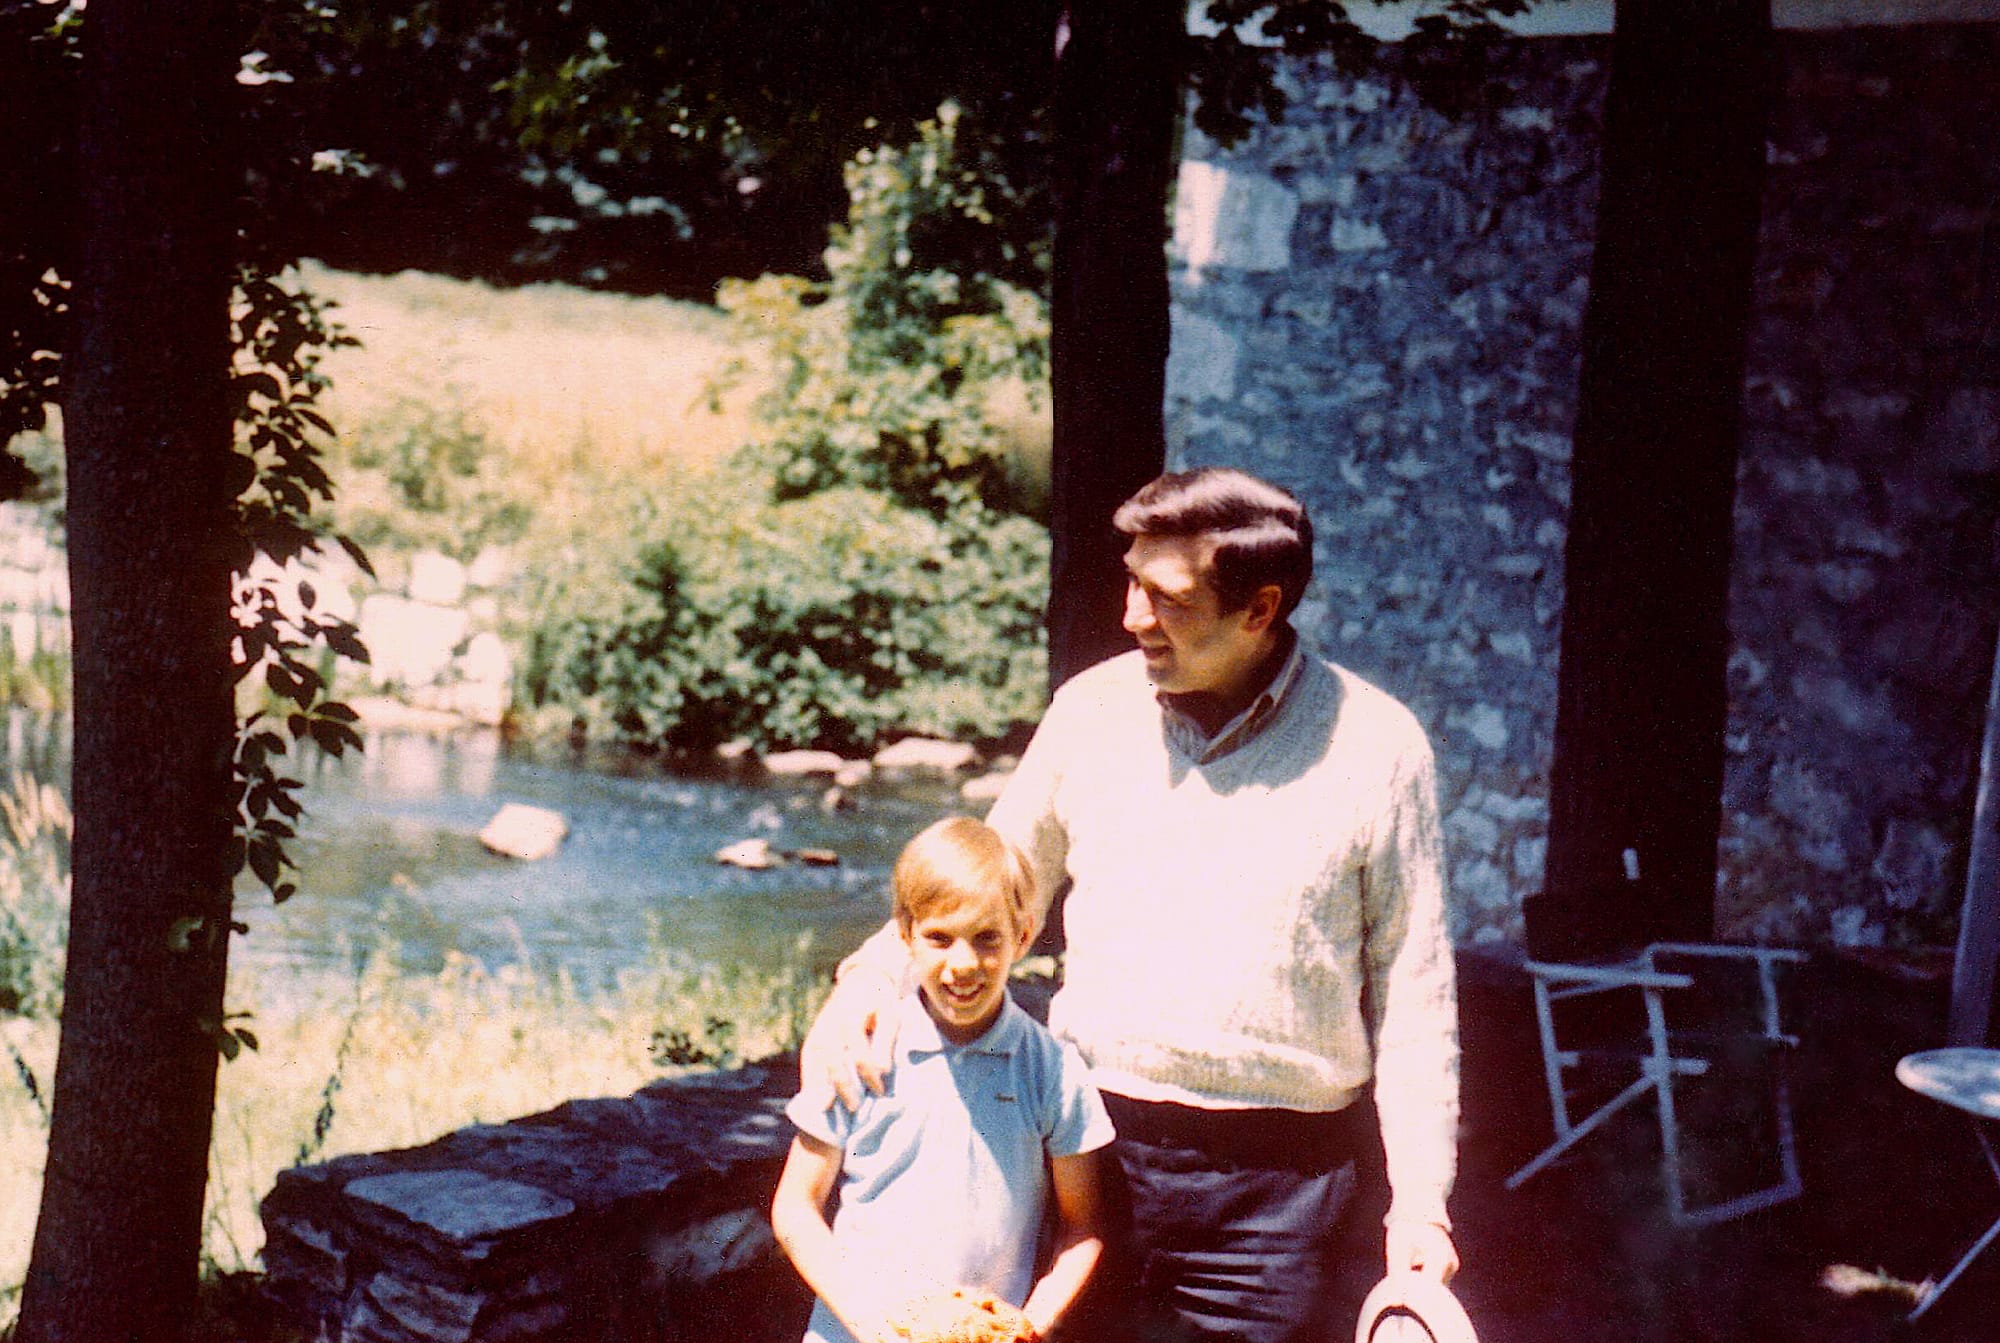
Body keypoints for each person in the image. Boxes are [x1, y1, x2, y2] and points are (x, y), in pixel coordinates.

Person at [806, 467, 1461, 1343]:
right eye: (1131, 583)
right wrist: (865, 981)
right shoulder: (1091, 712)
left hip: (1281, 1202)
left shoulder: (1379, 747)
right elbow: (985, 882)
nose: (1131, 616)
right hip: (1084, 1159)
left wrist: (1421, 1203)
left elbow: (1416, 997)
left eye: (1166, 596)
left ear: (1259, 609)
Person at [771, 816, 1114, 1343]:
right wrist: (870, 1320)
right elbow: (795, 1207)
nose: (962, 964)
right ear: (905, 935)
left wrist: (1032, 1325)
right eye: (939, 938)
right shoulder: (861, 1053)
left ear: (1022, 937)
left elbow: (1083, 1229)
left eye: (986, 939)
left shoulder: (1053, 1070)